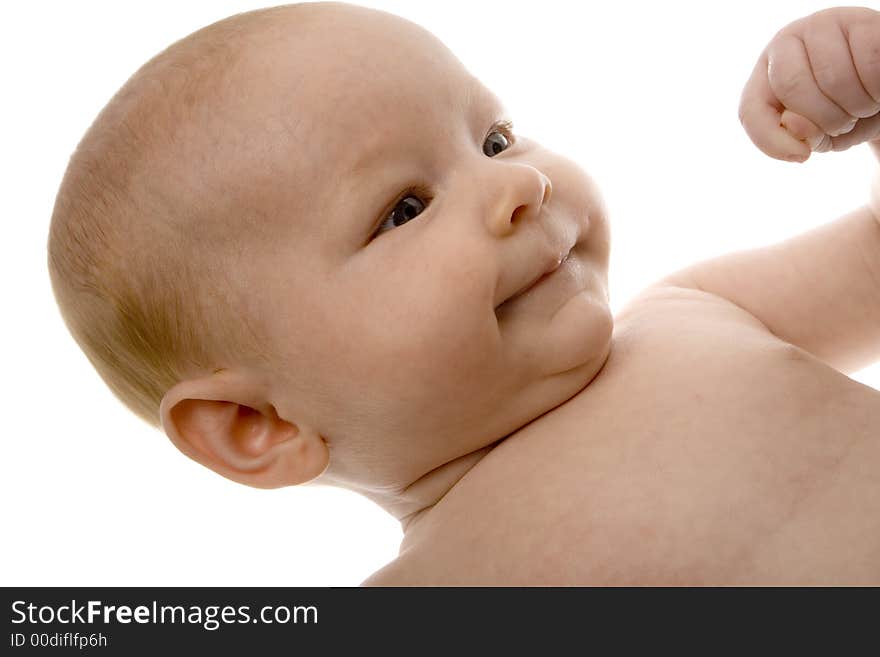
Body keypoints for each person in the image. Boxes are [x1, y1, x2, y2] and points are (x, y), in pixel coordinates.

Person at [47, 2, 880, 584]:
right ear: (256, 426)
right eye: (404, 209)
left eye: (494, 137)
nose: (515, 184)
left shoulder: (695, 314)